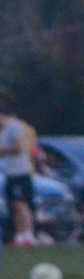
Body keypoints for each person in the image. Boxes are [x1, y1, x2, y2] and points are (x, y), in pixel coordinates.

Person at [0, 91, 37, 247]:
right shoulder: (5, 130)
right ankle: (20, 235)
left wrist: (3, 151)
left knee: (21, 204)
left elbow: (18, 147)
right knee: (14, 205)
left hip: (20, 172)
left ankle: (28, 234)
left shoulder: (14, 127)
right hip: (11, 172)